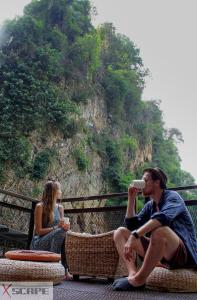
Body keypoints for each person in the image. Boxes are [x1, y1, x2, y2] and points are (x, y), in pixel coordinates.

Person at [113, 167, 197, 291]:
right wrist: (131, 198)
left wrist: (134, 236)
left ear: (157, 182)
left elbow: (162, 218)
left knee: (160, 231)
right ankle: (132, 274)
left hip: (182, 254)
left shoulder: (173, 197)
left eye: (145, 180)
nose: (142, 183)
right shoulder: (150, 205)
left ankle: (138, 280)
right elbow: (132, 225)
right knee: (119, 232)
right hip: (160, 252)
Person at [30, 180, 72, 280]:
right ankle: (55, 266)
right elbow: (38, 231)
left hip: (55, 239)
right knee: (61, 231)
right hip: (39, 242)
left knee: (67, 233)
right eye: (59, 189)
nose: (61, 192)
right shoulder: (40, 207)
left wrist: (66, 227)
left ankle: (65, 269)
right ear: (53, 192)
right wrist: (56, 228)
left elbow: (61, 228)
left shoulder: (60, 208)